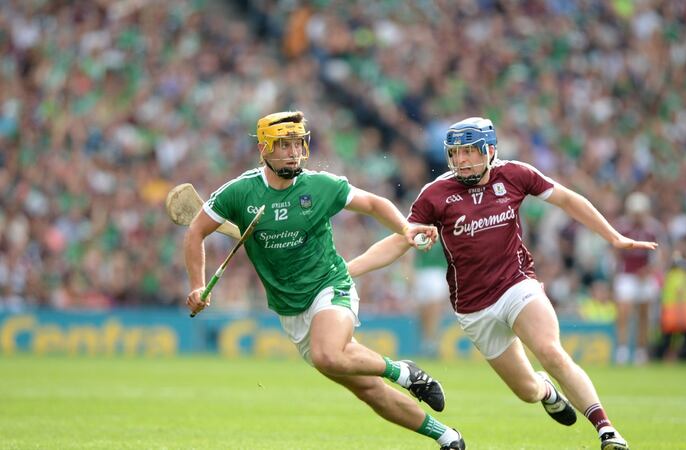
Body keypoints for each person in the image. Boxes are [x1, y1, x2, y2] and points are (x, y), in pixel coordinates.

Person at [348, 117, 658, 450]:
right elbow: (399, 241)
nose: (461, 159)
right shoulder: (435, 194)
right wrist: (347, 270)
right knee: (527, 391)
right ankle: (547, 391)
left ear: (490, 150)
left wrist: (613, 236)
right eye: (455, 153)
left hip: (517, 284)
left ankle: (607, 430)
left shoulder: (515, 174)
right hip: (473, 307)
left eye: (469, 151)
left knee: (551, 353)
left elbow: (568, 200)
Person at [184, 111, 466, 450]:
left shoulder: (320, 186)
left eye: (297, 144)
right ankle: (448, 437)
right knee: (368, 390)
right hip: (290, 309)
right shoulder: (240, 193)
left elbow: (373, 204)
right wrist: (197, 285)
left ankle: (405, 372)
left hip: (330, 286)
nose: (293, 152)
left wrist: (405, 229)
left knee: (328, 355)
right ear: (264, 149)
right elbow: (196, 232)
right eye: (283, 145)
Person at [612, 192, 667, 365]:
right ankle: (622, 350)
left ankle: (640, 351)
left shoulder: (654, 229)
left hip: (645, 275)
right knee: (623, 312)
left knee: (644, 314)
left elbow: (661, 255)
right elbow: (615, 250)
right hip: (627, 274)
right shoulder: (622, 227)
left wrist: (650, 270)